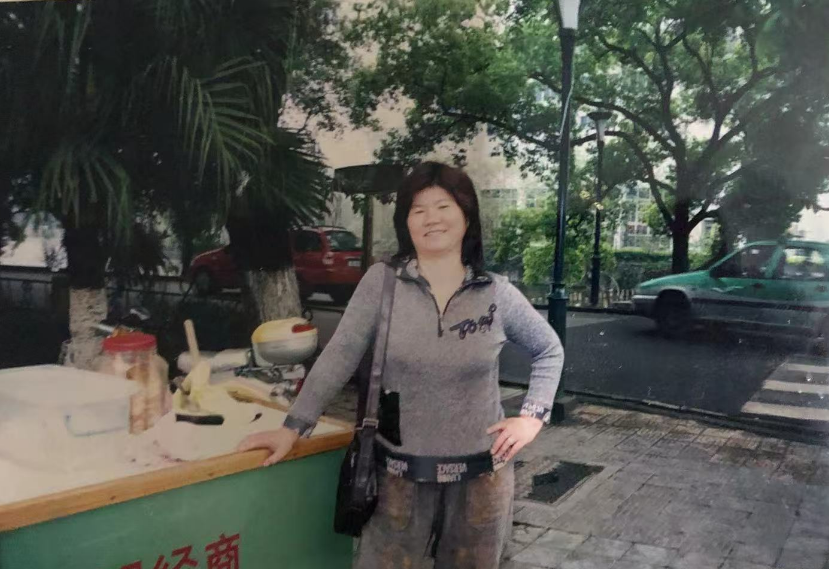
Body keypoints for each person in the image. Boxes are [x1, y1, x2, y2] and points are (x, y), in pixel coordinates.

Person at [238, 162, 564, 569]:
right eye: (418, 209)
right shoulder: (382, 283)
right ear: (405, 222)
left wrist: (532, 417)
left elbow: (549, 349)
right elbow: (339, 355)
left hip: (482, 479)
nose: (431, 218)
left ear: (466, 217)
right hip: (398, 478)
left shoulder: (496, 293)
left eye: (443, 206)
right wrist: (293, 428)